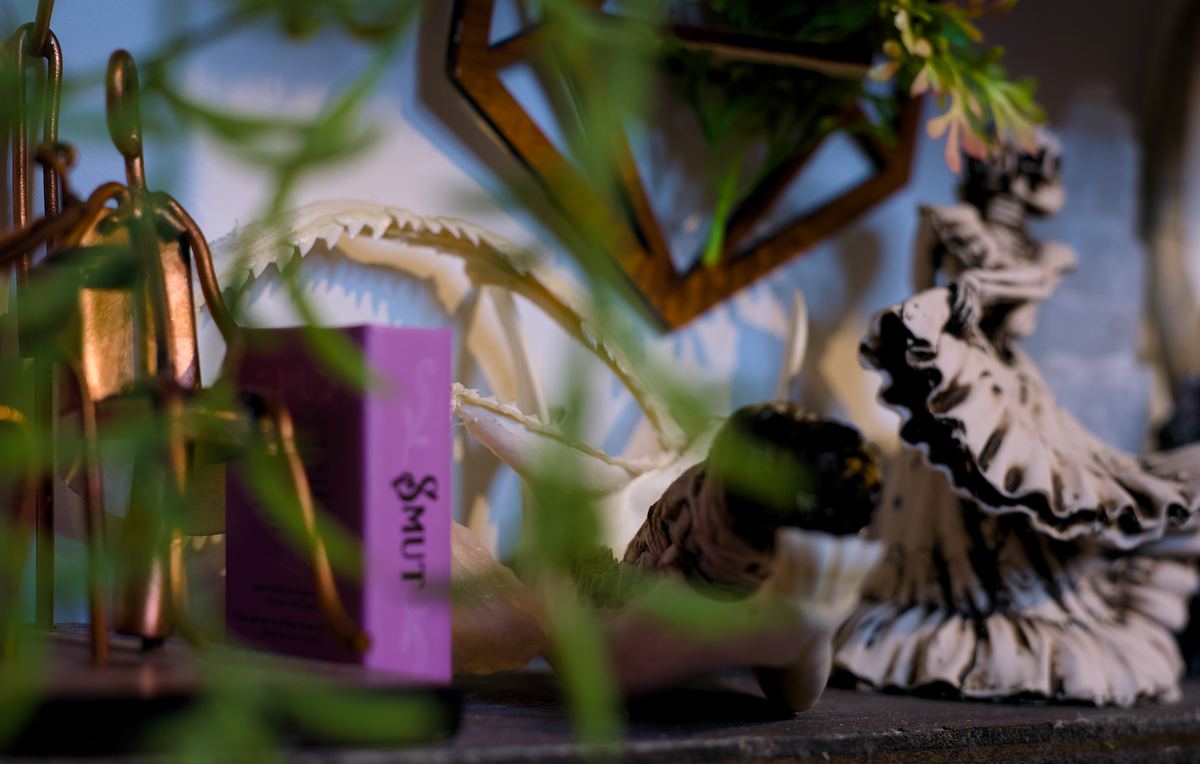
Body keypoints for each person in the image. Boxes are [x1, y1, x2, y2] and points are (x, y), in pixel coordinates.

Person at [834, 132, 1200, 705]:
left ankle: (1013, 601)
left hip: (1011, 383)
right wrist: (958, 299)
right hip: (961, 375)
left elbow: (1032, 291)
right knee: (952, 488)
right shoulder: (946, 223)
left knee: (1033, 484)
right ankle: (945, 602)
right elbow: (919, 300)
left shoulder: (1043, 255)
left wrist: (987, 284)